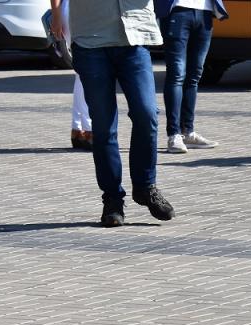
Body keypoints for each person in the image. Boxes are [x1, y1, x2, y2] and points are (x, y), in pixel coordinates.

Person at [50, 0, 175, 228]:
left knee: (146, 114)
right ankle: (112, 200)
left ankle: (146, 187)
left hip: (135, 36)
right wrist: (56, 12)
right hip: (91, 39)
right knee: (103, 126)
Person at [154, 0, 227, 154]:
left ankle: (188, 132)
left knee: (194, 76)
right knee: (177, 75)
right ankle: (174, 135)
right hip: (178, 10)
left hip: (205, 12)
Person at [49, 0, 92, 150]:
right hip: (80, 14)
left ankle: (78, 130)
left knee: (82, 74)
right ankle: (89, 131)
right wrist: (56, 15)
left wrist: (56, 15)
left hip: (75, 12)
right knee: (89, 72)